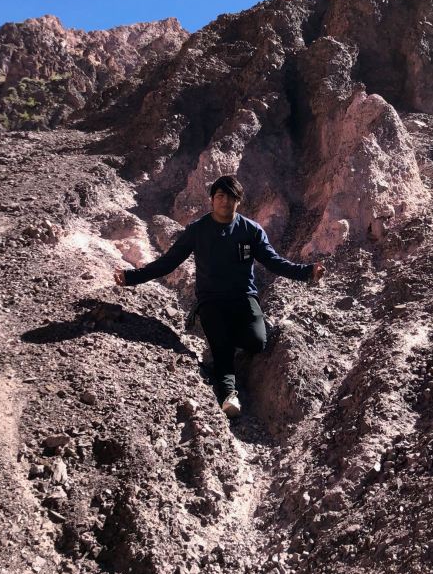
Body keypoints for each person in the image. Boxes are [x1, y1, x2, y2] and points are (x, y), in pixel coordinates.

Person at [114, 175, 325, 418]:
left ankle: (235, 334)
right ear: (212, 199)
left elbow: (274, 262)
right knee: (222, 347)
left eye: (231, 197)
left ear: (239, 201)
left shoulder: (251, 231)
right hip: (211, 300)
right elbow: (169, 262)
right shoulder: (197, 230)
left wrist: (307, 272)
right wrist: (132, 277)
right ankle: (228, 395)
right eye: (220, 196)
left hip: (244, 297)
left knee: (258, 343)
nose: (225, 201)